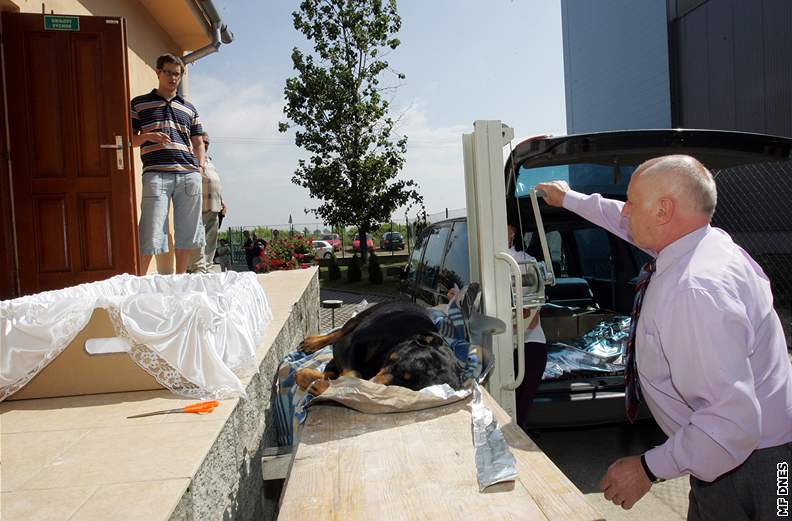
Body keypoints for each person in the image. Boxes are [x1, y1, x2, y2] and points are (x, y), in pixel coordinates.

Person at [537, 155, 792, 519]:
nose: (625, 211)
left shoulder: (695, 290)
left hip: (752, 464)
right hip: (734, 453)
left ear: (663, 211)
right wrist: (569, 199)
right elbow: (621, 221)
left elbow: (729, 422)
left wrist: (648, 468)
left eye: (632, 202)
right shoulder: (703, 242)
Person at [131, 53, 206, 274]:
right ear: (158, 72)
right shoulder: (139, 104)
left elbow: (198, 142)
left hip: (188, 174)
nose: (173, 78)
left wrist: (199, 167)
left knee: (187, 230)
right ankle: (140, 280)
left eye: (177, 73)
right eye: (169, 73)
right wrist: (147, 137)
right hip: (156, 174)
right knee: (151, 229)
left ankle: (179, 279)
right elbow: (128, 139)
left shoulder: (190, 108)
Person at [507, 223, 548, 430]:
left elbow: (532, 314)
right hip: (500, 344)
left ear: (513, 232)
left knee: (519, 413)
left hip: (530, 342)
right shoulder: (481, 263)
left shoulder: (527, 262)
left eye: (505, 226)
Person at [188, 132, 226, 273]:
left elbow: (214, 181)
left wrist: (222, 202)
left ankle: (208, 266)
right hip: (199, 206)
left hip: (215, 206)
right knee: (199, 239)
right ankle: (198, 267)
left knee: (211, 239)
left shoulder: (209, 160)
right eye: (203, 142)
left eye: (207, 142)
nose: (205, 145)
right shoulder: (192, 159)